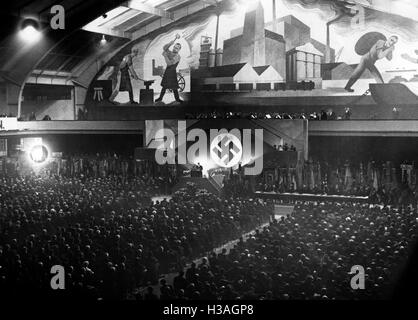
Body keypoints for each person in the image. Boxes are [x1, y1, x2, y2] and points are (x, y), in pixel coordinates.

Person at [155, 34, 183, 103]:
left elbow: (169, 63)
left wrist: (165, 56)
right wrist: (172, 41)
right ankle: (160, 98)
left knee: (174, 87)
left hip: (172, 72)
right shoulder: (170, 52)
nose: (174, 48)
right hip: (167, 72)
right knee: (164, 86)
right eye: (174, 47)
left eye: (177, 48)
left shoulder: (178, 56)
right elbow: (164, 48)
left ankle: (177, 99)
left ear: (179, 50)